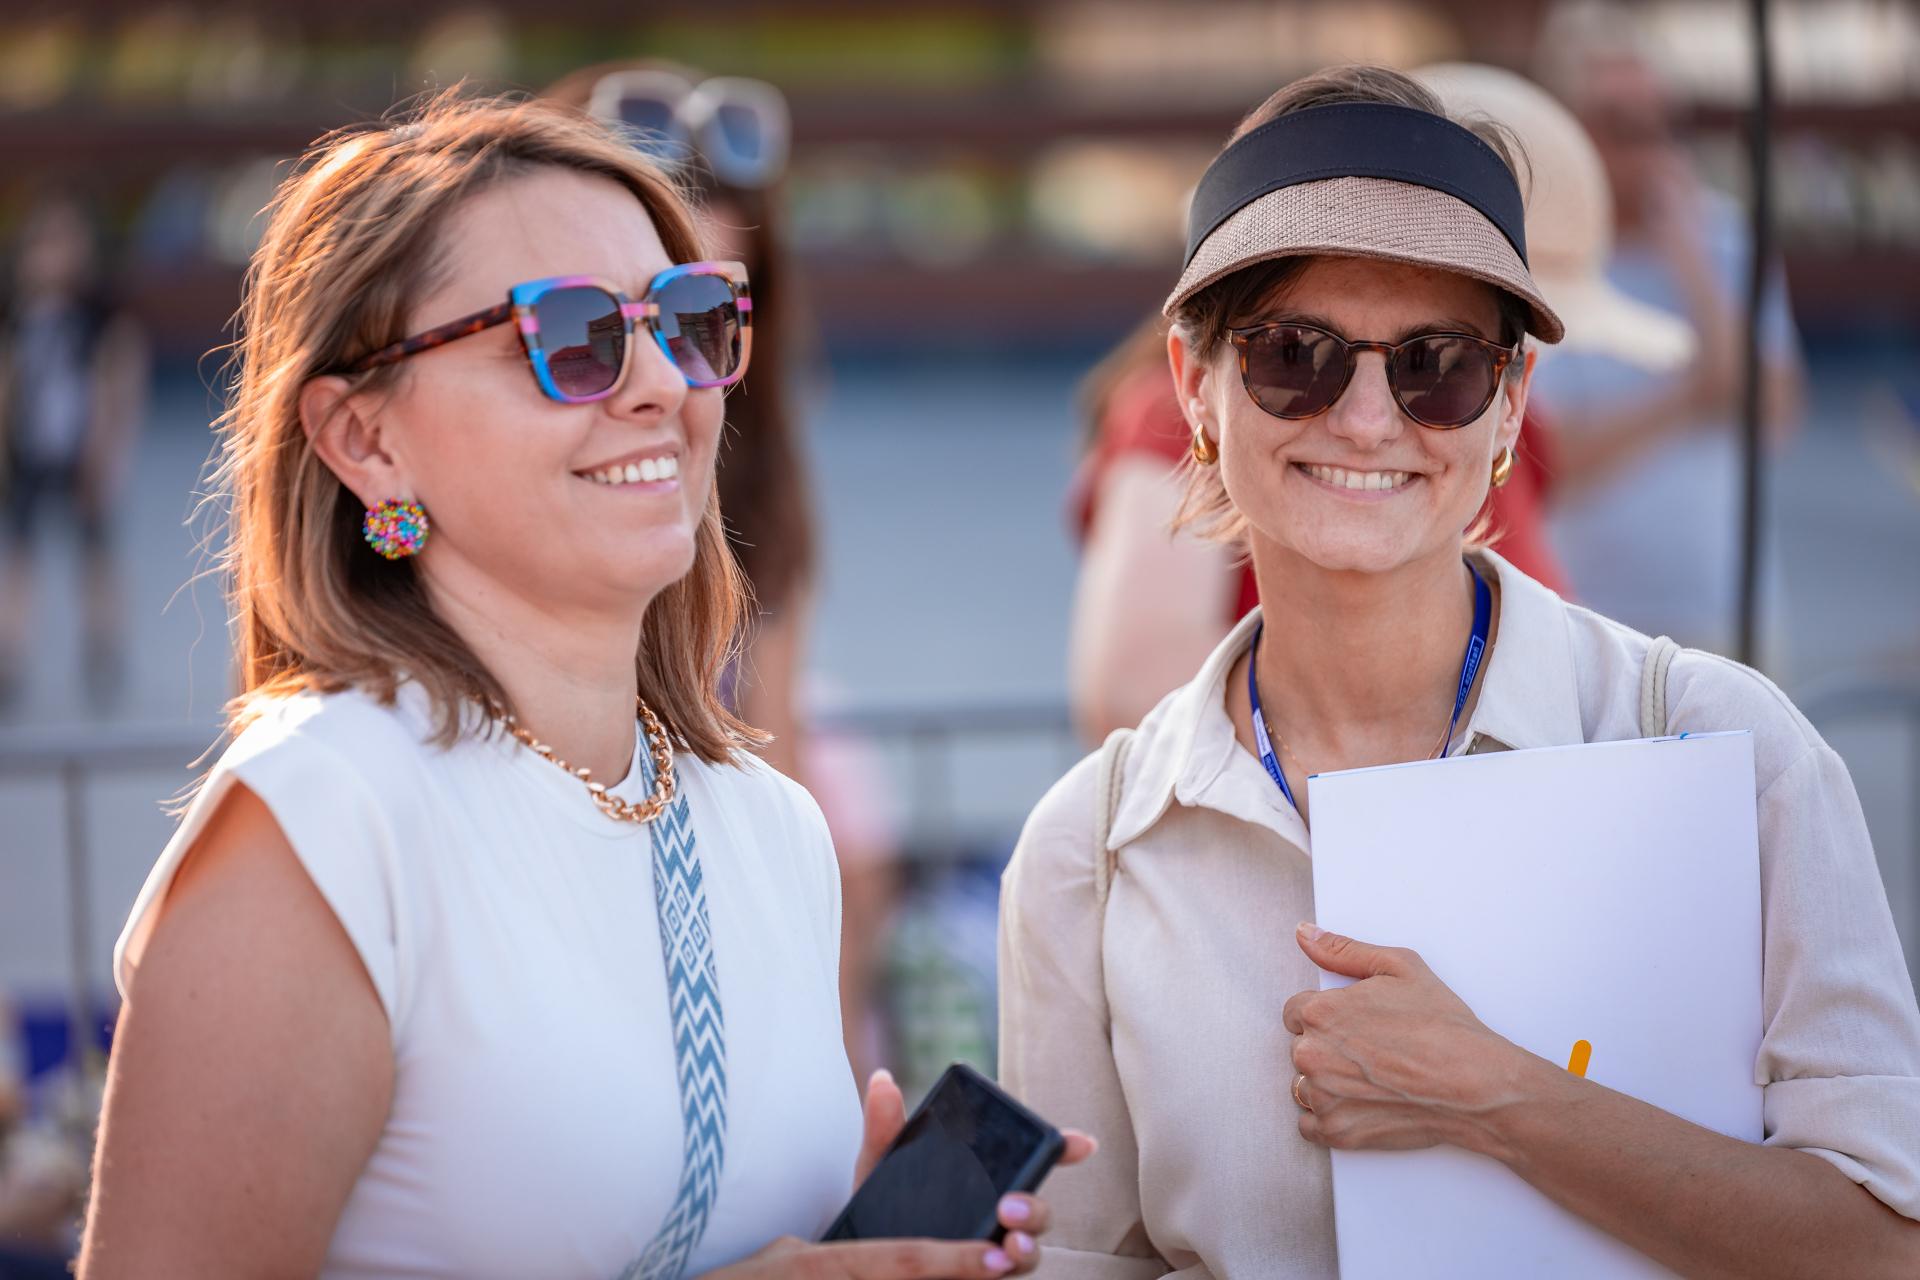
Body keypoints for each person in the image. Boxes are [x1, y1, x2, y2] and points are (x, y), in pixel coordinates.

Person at [79, 93, 1084, 1279]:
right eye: (568, 334)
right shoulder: (323, 827)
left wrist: (859, 1249)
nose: (661, 381)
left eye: (691, 319)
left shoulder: (773, 828)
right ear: (365, 440)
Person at [1000, 65, 1920, 1278]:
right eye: (1295, 354)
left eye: (1437, 363)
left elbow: (1884, 1240)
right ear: (1193, 387)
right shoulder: (1092, 849)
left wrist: (1495, 1094)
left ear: (1510, 405)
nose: (1366, 418)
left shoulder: (1724, 747)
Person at [549, 62, 903, 1083]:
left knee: (835, 859)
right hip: (599, 783)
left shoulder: (761, 458)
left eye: (703, 319)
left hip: (710, 747)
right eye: (602, 326)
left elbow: (771, 734)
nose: (661, 382)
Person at [1533, 27, 1806, 658]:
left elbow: (1775, 411)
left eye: (1660, 126)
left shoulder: (1722, 239)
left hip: (1724, 614)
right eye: (1621, 126)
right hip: (1587, 623)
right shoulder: (1542, 254)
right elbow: (1551, 460)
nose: (1646, 148)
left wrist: (1690, 260)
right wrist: (1694, 392)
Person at [0, 194, 149, 712]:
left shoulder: (99, 316)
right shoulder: (18, 315)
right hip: (29, 448)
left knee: (95, 552)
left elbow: (123, 378)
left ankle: (103, 644)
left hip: (84, 449)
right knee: (21, 551)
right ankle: (11, 654)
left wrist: (110, 451)